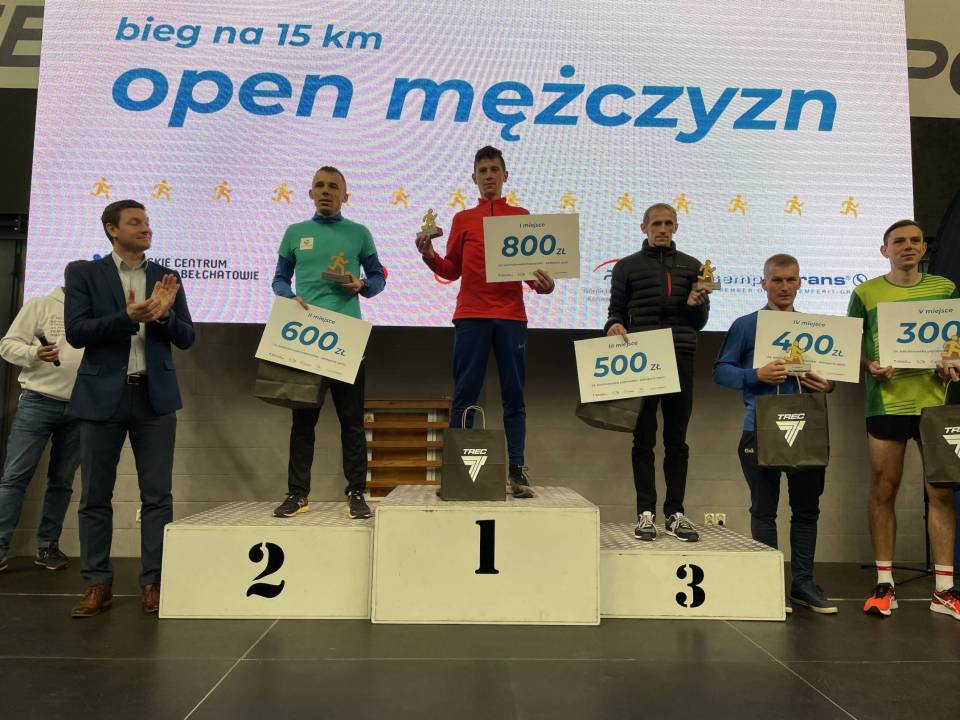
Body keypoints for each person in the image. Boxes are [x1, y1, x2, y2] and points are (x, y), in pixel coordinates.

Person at [65, 199, 194, 617]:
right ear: (111, 229)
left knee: (157, 496)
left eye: (147, 222)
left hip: (155, 398)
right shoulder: (84, 273)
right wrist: (127, 316)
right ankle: (97, 583)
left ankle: (153, 583)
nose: (145, 228)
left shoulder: (166, 278)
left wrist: (162, 317)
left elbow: (187, 337)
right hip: (103, 396)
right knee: (95, 496)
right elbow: (76, 331)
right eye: (135, 222)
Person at [415, 146, 555, 497]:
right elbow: (452, 269)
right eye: (483, 170)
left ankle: (517, 471)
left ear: (505, 175)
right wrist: (429, 255)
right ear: (474, 177)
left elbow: (531, 275)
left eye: (494, 169)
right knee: (465, 393)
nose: (489, 175)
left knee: (514, 396)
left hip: (511, 317)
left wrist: (544, 285)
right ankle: (458, 473)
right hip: (471, 316)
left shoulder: (521, 217)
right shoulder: (463, 219)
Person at [848, 219, 960, 620]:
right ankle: (885, 584)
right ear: (885, 250)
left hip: (936, 404)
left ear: (924, 249)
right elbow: (851, 347)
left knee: (941, 492)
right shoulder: (865, 293)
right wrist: (869, 366)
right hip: (887, 404)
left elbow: (955, 341)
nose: (908, 246)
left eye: (915, 240)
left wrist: (953, 361)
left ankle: (944, 590)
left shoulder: (945, 289)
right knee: (884, 488)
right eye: (899, 241)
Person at [713, 253, 837, 613]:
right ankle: (769, 587)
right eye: (777, 280)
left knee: (806, 511)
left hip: (806, 429)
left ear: (800, 283)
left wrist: (827, 385)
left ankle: (802, 585)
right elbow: (721, 371)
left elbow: (831, 377)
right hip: (759, 430)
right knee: (764, 510)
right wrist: (755, 375)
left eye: (790, 279)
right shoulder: (746, 325)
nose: (784, 287)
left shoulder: (815, 328)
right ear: (763, 283)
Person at [271, 166, 385, 520]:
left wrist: (362, 285)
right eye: (319, 185)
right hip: (306, 338)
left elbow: (378, 278)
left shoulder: (359, 233)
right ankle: (297, 494)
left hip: (346, 339)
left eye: (333, 186)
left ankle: (356, 492)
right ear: (310, 193)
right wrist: (289, 297)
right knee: (303, 422)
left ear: (344, 196)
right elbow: (279, 280)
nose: (326, 191)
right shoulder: (295, 233)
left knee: (352, 422)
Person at [605, 203, 708, 541]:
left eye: (668, 223)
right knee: (643, 439)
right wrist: (614, 326)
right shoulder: (626, 267)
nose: (662, 229)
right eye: (656, 224)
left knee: (677, 441)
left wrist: (694, 306)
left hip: (681, 356)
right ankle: (645, 513)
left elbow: (700, 322)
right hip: (643, 361)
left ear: (676, 227)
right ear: (644, 227)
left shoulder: (693, 266)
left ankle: (675, 513)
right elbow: (615, 312)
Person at [0, 263, 85, 572]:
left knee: (62, 481)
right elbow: (7, 345)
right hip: (38, 402)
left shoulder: (95, 312)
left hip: (80, 407)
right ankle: (0, 546)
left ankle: (48, 547)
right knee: (15, 477)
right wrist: (34, 354)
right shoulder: (40, 305)